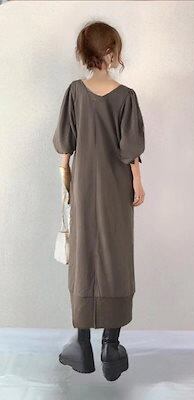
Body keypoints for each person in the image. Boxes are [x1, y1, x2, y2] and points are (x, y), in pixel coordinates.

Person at [53, 21, 145, 381]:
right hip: (116, 188)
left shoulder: (75, 92)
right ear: (111, 52)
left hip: (84, 186)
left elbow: (66, 144)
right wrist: (137, 181)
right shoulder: (126, 96)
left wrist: (65, 177)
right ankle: (111, 344)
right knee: (115, 255)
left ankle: (82, 344)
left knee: (83, 255)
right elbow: (130, 149)